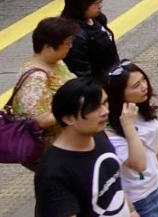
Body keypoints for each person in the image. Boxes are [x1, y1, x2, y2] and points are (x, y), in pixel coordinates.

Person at [32, 78, 129, 217]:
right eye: (93, 107)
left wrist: (131, 210)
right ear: (68, 118)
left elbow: (115, 186)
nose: (105, 111)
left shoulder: (98, 135)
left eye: (105, 102)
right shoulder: (52, 172)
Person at [104, 62, 158, 217]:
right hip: (140, 200)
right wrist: (129, 127)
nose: (144, 87)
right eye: (136, 85)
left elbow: (155, 141)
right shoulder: (112, 132)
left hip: (156, 187)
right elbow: (138, 165)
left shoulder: (138, 109)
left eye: (143, 80)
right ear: (120, 94)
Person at [11, 16, 79, 144]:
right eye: (67, 43)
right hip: (50, 148)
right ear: (48, 47)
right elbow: (40, 120)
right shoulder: (35, 78)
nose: (70, 47)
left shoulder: (57, 62)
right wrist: (76, 106)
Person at [59, 0, 119, 79]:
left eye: (101, 1)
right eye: (96, 3)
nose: (100, 6)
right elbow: (82, 74)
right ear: (81, 5)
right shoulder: (75, 37)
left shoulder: (98, 18)